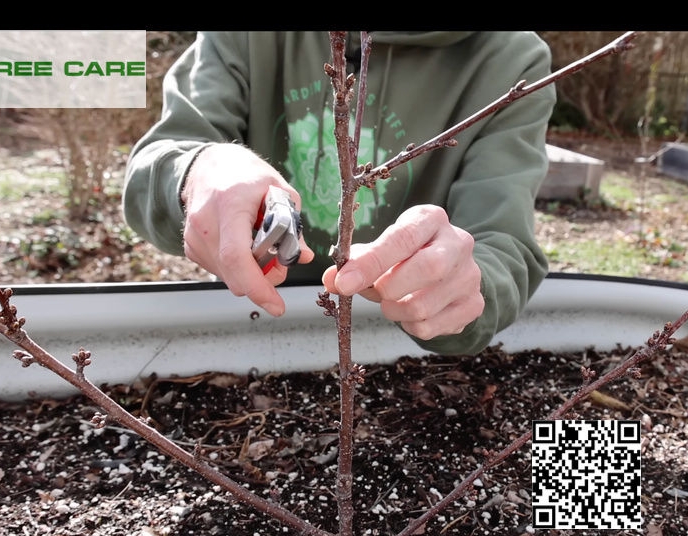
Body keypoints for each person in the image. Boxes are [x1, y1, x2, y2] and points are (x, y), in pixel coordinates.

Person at [123, 31, 556, 356]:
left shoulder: (513, 60)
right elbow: (164, 157)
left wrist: (462, 289)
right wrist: (199, 171)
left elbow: (503, 246)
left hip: (398, 345)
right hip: (248, 325)